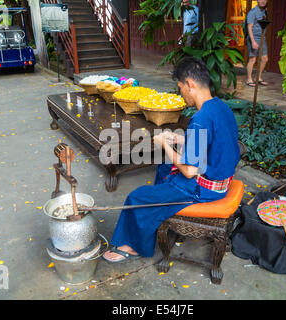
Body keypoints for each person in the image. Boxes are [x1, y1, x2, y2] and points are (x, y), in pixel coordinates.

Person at [102, 57, 240, 263]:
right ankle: (161, 212)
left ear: (190, 85)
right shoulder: (220, 107)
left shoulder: (200, 119)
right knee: (164, 167)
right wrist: (180, 138)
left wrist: (165, 144)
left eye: (180, 87)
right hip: (221, 178)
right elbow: (217, 140)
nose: (181, 92)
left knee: (137, 197)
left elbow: (190, 172)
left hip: (205, 189)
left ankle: (132, 246)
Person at [245, 0, 268, 87]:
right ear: (257, 0)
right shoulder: (252, 12)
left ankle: (258, 77)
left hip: (262, 38)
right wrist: (253, 41)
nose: (263, 1)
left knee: (264, 58)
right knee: (252, 59)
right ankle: (249, 79)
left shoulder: (264, 11)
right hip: (253, 38)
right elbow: (249, 27)